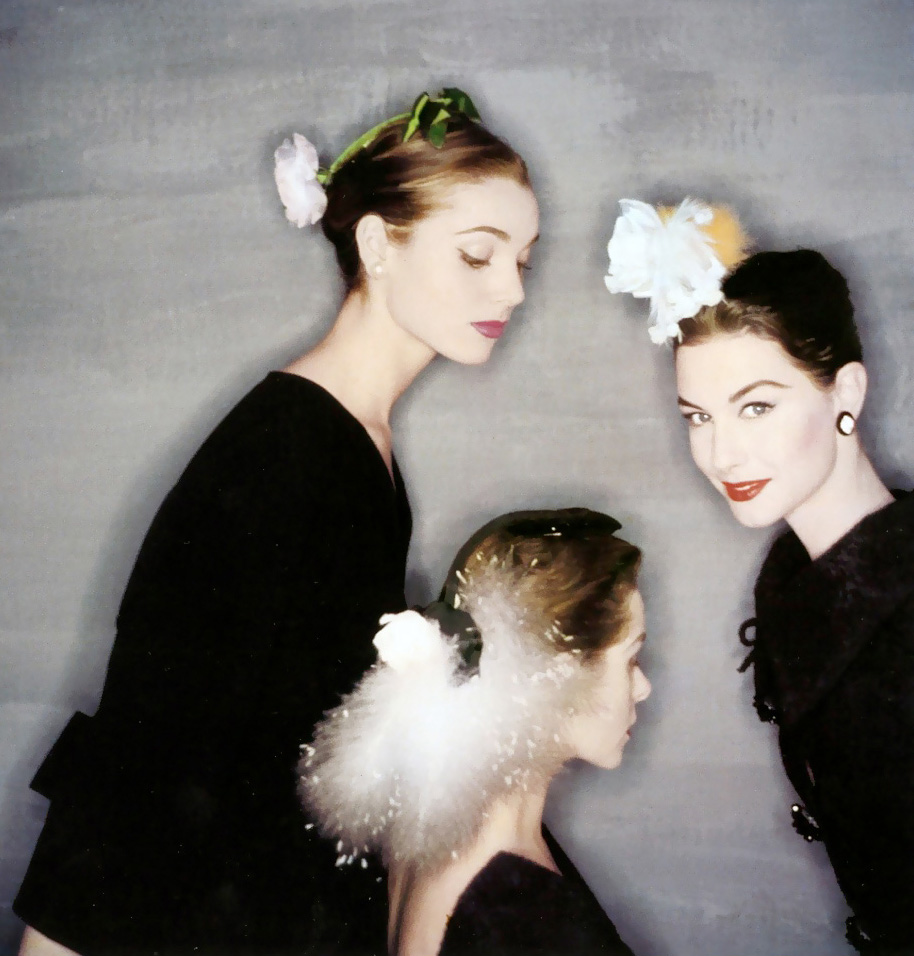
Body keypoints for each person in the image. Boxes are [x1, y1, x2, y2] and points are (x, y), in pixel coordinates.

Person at [14, 89, 540, 956]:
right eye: (478, 255)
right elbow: (150, 750)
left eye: (523, 258)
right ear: (379, 244)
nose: (512, 289)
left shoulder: (359, 443)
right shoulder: (286, 451)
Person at [605, 199, 914, 953]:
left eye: (756, 408)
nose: (722, 455)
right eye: (698, 417)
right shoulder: (798, 586)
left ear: (845, 393)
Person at [301, 508, 650, 956]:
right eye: (631, 659)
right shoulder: (518, 910)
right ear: (560, 679)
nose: (643, 687)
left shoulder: (431, 844)